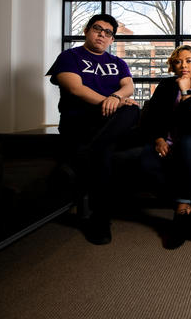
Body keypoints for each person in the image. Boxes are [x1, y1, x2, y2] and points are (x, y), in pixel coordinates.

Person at [47, 14, 140, 245]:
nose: (102, 34)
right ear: (87, 31)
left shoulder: (117, 62)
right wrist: (108, 101)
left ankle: (80, 156)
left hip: (106, 124)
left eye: (108, 32)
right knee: (105, 151)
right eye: (98, 29)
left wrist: (117, 97)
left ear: (112, 39)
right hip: (79, 122)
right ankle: (101, 220)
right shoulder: (70, 56)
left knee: (133, 110)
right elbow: (75, 88)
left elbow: (128, 86)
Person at [139, 45, 191, 249]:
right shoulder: (166, 86)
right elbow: (153, 116)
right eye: (178, 61)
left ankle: (179, 217)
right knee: (145, 162)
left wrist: (186, 92)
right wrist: (158, 138)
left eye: (188, 60)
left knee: (187, 142)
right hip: (168, 142)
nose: (183, 65)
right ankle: (187, 210)